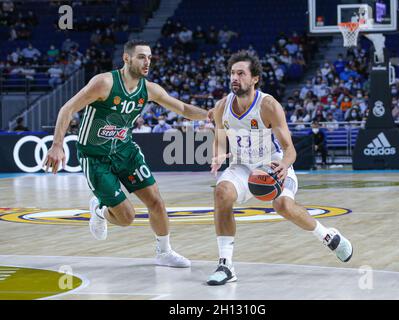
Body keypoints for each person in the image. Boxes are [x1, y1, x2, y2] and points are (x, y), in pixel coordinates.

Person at [44, 39, 209, 268]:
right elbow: (67, 109)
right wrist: (57, 144)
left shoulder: (149, 89)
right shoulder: (104, 83)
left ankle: (164, 252)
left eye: (150, 57)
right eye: (142, 56)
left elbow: (182, 109)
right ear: (126, 58)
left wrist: (211, 116)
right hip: (95, 155)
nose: (147, 62)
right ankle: (100, 210)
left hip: (125, 150)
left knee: (156, 202)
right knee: (126, 218)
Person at [207, 51, 352, 286]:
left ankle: (327, 235)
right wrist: (217, 154)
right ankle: (226, 265)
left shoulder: (268, 105)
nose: (234, 77)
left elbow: (290, 149)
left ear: (254, 78)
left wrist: (284, 165)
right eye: (232, 73)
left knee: (283, 205)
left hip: (272, 162)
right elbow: (219, 137)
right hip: (243, 165)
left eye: (240, 73)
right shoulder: (222, 106)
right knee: (221, 192)